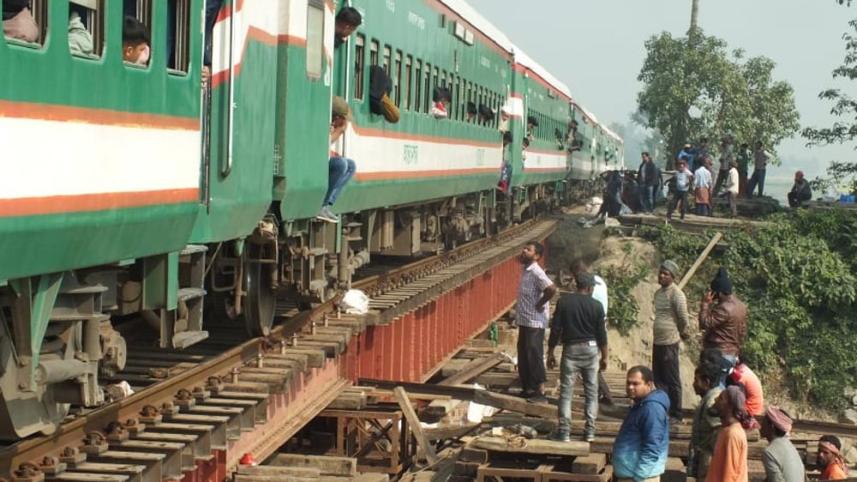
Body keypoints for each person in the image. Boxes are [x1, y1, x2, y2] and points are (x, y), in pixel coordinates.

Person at [546, 272, 607, 442]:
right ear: (589, 287)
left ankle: (564, 431)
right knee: (591, 391)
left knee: (566, 391)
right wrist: (605, 357)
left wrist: (550, 352)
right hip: (591, 350)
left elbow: (556, 329)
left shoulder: (564, 302)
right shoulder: (597, 306)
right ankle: (590, 432)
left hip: (571, 350)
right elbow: (602, 335)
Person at [515, 241, 557, 403]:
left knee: (534, 353)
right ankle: (527, 388)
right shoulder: (525, 270)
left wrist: (540, 304)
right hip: (524, 320)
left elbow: (551, 289)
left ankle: (540, 389)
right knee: (523, 354)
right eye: (524, 248)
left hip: (535, 321)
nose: (524, 251)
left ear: (537, 256)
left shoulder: (537, 272)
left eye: (528, 250)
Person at [613, 366, 670, 482]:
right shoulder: (641, 405)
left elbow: (652, 447)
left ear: (649, 385)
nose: (630, 387)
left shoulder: (652, 409)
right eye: (628, 383)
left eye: (635, 384)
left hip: (642, 478)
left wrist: (639, 477)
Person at [570, 260, 614, 405]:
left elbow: (584, 308)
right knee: (591, 363)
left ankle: (604, 395)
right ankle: (601, 394)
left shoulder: (589, 288)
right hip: (601, 323)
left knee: (590, 364)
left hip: (592, 328)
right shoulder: (600, 280)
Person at [652, 260, 690, 422]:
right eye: (661, 272)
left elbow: (683, 318)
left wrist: (681, 332)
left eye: (666, 273)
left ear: (673, 277)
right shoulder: (658, 294)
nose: (661, 275)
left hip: (670, 342)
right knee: (658, 378)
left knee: (672, 379)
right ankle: (663, 409)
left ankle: (676, 413)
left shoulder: (677, 294)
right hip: (658, 341)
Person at [699, 267, 747, 375]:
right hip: (731, 354)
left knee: (713, 387)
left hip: (719, 354)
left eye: (713, 291)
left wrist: (705, 304)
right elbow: (742, 332)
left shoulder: (724, 308)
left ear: (719, 293)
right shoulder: (741, 306)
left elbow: (704, 323)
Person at [317, 97, 357, 223]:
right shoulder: (325, 121)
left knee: (351, 165)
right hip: (316, 162)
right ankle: (321, 205)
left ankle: (327, 204)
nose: (345, 122)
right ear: (337, 116)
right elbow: (324, 144)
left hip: (322, 159)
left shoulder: (331, 123)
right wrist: (339, 131)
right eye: (344, 118)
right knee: (341, 164)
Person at [706, 385, 751, 482]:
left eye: (721, 398)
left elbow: (730, 476)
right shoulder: (725, 430)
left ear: (730, 406)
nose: (715, 399)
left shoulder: (732, 434)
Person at [688, 363, 724, 481]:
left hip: (708, 462)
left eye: (696, 380)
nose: (693, 384)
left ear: (706, 382)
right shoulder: (709, 398)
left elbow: (718, 433)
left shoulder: (712, 402)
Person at [760, 406, 805, 482]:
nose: (761, 424)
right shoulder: (790, 446)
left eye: (764, 421)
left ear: (772, 426)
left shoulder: (769, 452)